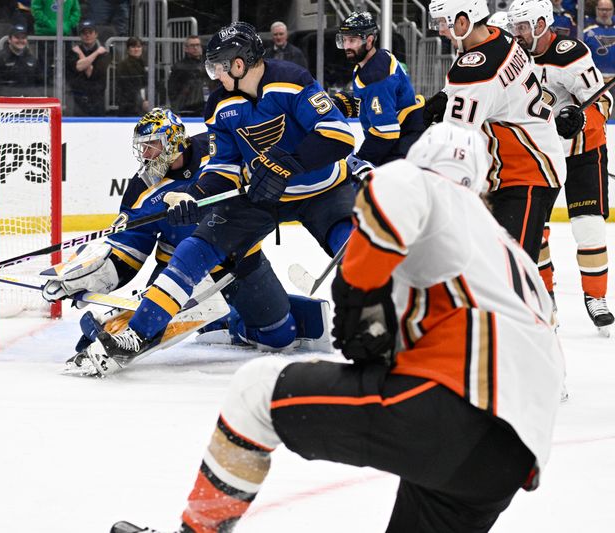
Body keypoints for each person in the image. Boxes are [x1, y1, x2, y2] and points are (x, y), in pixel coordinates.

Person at [111, 122, 565, 533]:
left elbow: (380, 236)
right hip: (511, 456)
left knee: (256, 392)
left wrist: (357, 304)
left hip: (450, 406)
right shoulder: (509, 253)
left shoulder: (412, 180)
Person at [77, 22, 357, 376]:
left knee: (354, 246)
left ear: (238, 65)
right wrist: (193, 195)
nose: (215, 77)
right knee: (195, 248)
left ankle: (388, 324)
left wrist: (289, 164)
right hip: (261, 196)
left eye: (218, 68)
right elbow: (224, 164)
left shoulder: (292, 80)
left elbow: (338, 136)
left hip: (323, 190)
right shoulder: (220, 103)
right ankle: (137, 334)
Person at [44, 108, 330, 371]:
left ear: (173, 142)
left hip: (239, 260)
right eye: (142, 146)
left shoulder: (217, 149)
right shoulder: (141, 189)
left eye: (151, 144)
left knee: (279, 338)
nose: (145, 153)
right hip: (177, 271)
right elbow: (128, 251)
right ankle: (125, 330)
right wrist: (85, 277)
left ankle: (228, 321)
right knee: (151, 321)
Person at [424, 0, 567, 292]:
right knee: (491, 268)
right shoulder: (498, 37)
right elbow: (476, 95)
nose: (440, 31)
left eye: (442, 22)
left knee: (508, 276)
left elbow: (456, 140)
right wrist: (441, 100)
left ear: (462, 22)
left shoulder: (476, 69)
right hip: (516, 170)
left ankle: (534, 328)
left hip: (527, 173)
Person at [509, 0, 614, 335]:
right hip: (540, 155)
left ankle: (596, 298)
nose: (518, 33)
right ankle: (544, 296)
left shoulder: (570, 53)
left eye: (523, 26)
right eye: (516, 27)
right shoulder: (514, 57)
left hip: (584, 152)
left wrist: (582, 119)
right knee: (534, 229)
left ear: (542, 23)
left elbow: (604, 100)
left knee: (589, 227)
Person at [333, 11, 425, 167]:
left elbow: (386, 131)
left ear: (369, 41)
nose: (347, 46)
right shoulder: (374, 61)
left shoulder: (376, 77)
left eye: (352, 40)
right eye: (344, 40)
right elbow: (372, 102)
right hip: (402, 138)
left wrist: (360, 160)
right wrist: (343, 102)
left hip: (401, 148)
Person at [0, 23, 44, 97]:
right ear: (9, 39)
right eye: (17, 37)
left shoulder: (32, 60)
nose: (20, 40)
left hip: (27, 102)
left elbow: (39, 84)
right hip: (4, 102)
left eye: (23, 38)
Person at [66, 19, 110, 116]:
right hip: (78, 100)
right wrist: (95, 54)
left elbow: (90, 72)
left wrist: (84, 54)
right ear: (80, 36)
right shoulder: (72, 52)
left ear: (96, 34)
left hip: (97, 100)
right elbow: (78, 67)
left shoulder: (103, 53)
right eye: (84, 33)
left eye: (90, 32)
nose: (87, 35)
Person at [167, 35, 213, 117]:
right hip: (188, 109)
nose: (195, 48)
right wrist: (175, 110)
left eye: (198, 45)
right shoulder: (179, 66)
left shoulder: (207, 64)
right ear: (186, 48)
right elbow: (172, 90)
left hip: (208, 107)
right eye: (192, 45)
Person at [115, 36, 149, 116]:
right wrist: (142, 101)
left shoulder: (144, 63)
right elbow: (128, 87)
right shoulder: (123, 65)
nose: (136, 49)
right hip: (128, 107)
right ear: (128, 49)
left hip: (142, 106)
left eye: (138, 46)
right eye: (133, 47)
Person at [583, 0, 615, 80]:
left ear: (613, 10)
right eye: (602, 9)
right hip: (595, 80)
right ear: (596, 9)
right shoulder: (585, 32)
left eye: (608, 9)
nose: (605, 12)